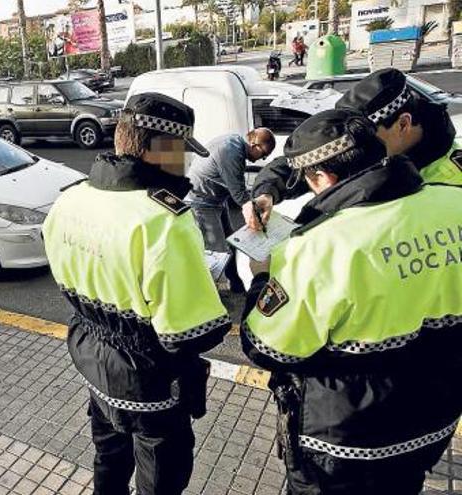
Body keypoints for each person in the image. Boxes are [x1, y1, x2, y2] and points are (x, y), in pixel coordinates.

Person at [241, 108, 462, 494]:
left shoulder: (318, 247)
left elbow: (267, 348)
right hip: (433, 420)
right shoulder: (454, 204)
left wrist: (261, 275)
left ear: (322, 177)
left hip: (346, 441)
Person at [43, 93, 231, 495]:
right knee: (161, 475)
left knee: (109, 457)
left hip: (91, 358)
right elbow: (190, 332)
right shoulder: (165, 221)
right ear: (162, 148)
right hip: (148, 380)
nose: (188, 164)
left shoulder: (68, 200)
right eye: (184, 153)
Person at [243, 67, 461, 232]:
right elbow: (302, 166)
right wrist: (266, 193)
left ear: (403, 124)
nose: (356, 143)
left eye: (366, 133)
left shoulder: (451, 180)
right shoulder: (373, 150)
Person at [185, 128, 275, 292]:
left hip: (214, 200)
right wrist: (255, 217)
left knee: (231, 240)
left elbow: (236, 188)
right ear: (254, 145)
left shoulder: (234, 142)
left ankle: (235, 284)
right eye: (263, 154)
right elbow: (238, 193)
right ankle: (210, 293)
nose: (261, 159)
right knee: (218, 251)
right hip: (201, 202)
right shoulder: (231, 151)